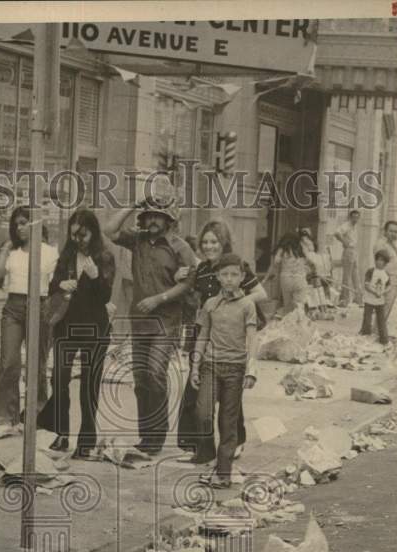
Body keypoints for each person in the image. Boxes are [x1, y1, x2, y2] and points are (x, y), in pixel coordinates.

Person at [103, 183, 196, 456]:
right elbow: (109, 230)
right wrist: (134, 204)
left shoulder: (180, 247)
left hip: (167, 320)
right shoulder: (138, 240)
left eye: (159, 216)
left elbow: (190, 283)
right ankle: (147, 436)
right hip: (140, 320)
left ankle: (157, 433)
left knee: (155, 372)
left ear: (168, 220)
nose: (153, 220)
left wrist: (160, 298)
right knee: (141, 378)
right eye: (149, 215)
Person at [176, 220, 266, 463]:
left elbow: (262, 293)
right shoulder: (202, 269)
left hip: (231, 336)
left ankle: (236, 441)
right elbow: (192, 295)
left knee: (229, 397)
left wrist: (234, 305)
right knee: (196, 393)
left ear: (223, 242)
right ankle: (199, 446)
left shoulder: (235, 266)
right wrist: (179, 276)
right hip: (205, 333)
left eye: (214, 241)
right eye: (205, 242)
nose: (209, 246)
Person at [37, 209, 116, 459]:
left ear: (93, 233)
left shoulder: (104, 257)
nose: (78, 240)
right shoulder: (67, 255)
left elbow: (105, 296)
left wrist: (95, 277)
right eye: (73, 235)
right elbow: (52, 285)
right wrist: (60, 284)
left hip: (95, 327)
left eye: (83, 235)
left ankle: (86, 440)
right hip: (67, 326)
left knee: (89, 385)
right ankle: (61, 434)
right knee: (59, 379)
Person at [0, 207, 59, 437]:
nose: (20, 228)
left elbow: (57, 284)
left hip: (41, 305)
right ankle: (3, 416)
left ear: (35, 224)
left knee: (37, 362)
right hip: (14, 307)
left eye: (24, 223)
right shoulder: (13, 252)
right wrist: (6, 248)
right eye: (16, 224)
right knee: (9, 361)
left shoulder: (50, 252)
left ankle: (36, 414)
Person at [190, 254, 259, 489]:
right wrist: (195, 366)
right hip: (210, 365)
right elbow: (202, 336)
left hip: (235, 369)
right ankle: (209, 457)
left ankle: (223, 473)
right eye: (224, 274)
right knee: (203, 414)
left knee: (228, 422)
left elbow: (252, 338)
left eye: (234, 275)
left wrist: (251, 369)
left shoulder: (247, 305)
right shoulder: (210, 304)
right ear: (218, 277)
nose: (229, 279)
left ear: (242, 277)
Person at [268, 231, 309, 315]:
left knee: (288, 305)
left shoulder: (282, 250)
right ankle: (299, 318)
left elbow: (276, 262)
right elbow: (309, 260)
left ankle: (289, 319)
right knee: (300, 305)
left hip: (286, 279)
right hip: (300, 278)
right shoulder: (301, 248)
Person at [359, 249, 391, 344]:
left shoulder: (386, 274)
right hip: (369, 300)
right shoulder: (371, 271)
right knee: (367, 320)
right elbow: (366, 285)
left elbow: (389, 286)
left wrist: (383, 292)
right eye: (377, 259)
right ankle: (365, 339)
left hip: (380, 302)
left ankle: (384, 340)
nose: (378, 262)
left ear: (385, 263)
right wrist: (374, 292)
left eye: (381, 260)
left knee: (381, 321)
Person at [299, 229, 331, 320]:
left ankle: (322, 310)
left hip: (314, 268)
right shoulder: (302, 243)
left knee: (318, 289)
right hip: (307, 268)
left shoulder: (309, 243)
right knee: (310, 290)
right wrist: (312, 266)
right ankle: (314, 311)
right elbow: (306, 257)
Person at [333, 209, 362, 307]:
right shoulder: (347, 225)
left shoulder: (355, 227)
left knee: (355, 275)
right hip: (348, 251)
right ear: (350, 217)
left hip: (354, 252)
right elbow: (337, 233)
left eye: (357, 217)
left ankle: (358, 298)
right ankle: (345, 300)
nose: (355, 219)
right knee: (347, 276)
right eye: (354, 217)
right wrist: (344, 242)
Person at [374, 220, 397, 321]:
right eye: (391, 231)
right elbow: (379, 265)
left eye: (395, 232)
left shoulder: (392, 245)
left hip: (394, 281)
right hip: (387, 281)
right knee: (383, 308)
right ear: (385, 231)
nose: (393, 234)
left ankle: (379, 329)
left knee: (387, 309)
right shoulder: (381, 244)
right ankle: (376, 329)